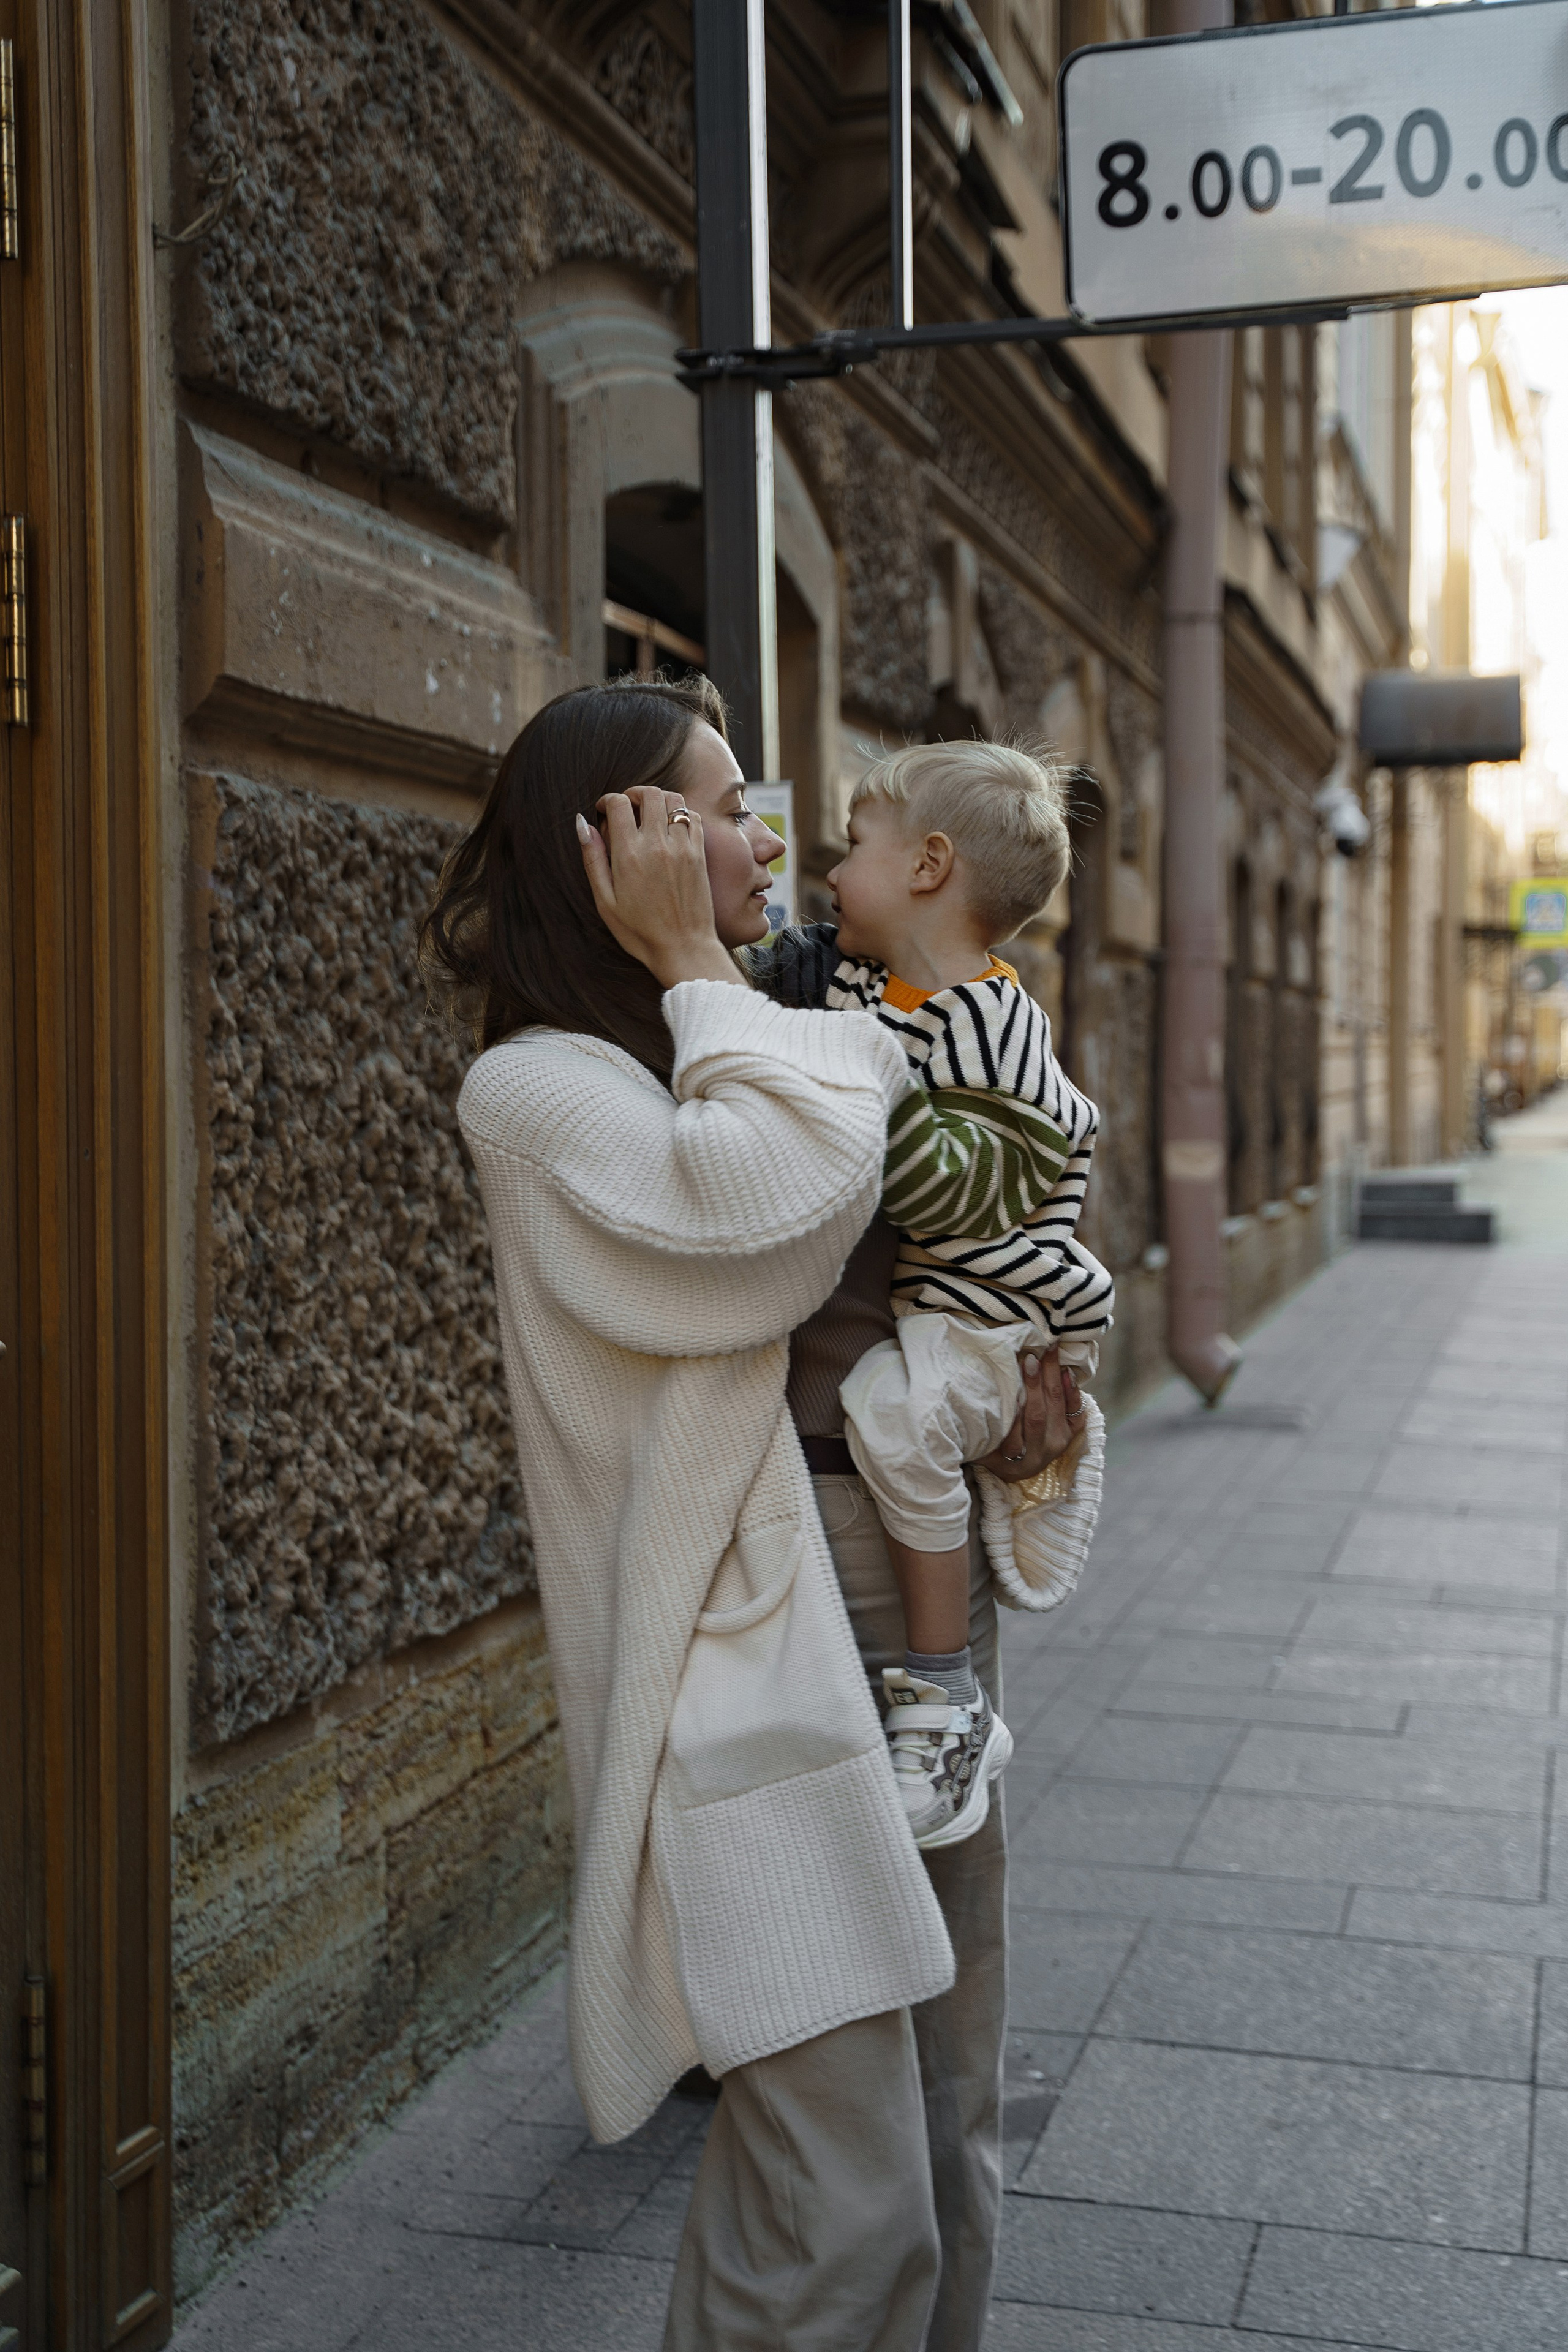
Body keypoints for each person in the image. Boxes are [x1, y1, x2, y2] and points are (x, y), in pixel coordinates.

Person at [421, 676, 1083, 2351]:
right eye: (719, 807)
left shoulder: (738, 1024)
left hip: (893, 1588)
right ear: (615, 847)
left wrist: (1010, 1394)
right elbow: (776, 1220)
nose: (770, 837)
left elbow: (943, 1200)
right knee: (837, 2207)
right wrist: (702, 969)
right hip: (753, 1671)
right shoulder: (549, 1092)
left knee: (942, 2128)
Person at [748, 739, 1113, 1855]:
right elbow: (776, 970)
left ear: (928, 866)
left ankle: (949, 1693)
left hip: (996, 1311)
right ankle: (949, 1688)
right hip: (935, 1312)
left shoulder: (997, 1028)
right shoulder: (871, 979)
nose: (826, 872)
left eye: (855, 846)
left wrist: (846, 1079)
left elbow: (961, 1192)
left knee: (893, 1418)